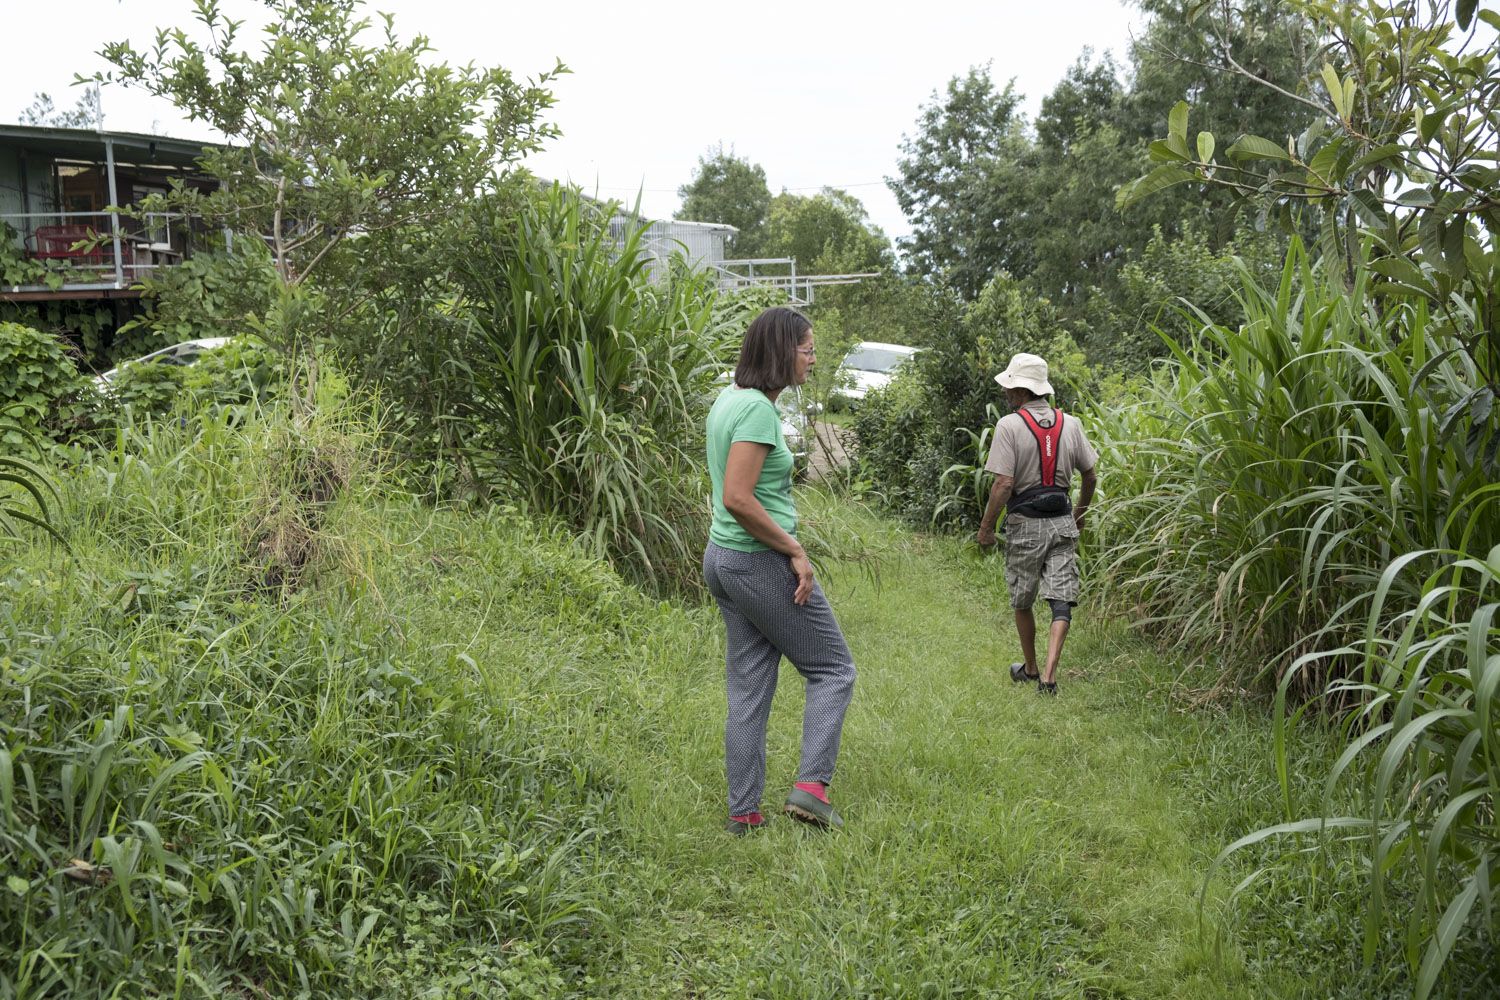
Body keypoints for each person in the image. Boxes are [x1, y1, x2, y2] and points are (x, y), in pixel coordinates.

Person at [703, 306, 857, 835]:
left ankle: (744, 814)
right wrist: (794, 549)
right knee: (833, 670)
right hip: (756, 561)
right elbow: (739, 498)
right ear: (780, 351)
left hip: (723, 559)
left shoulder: (729, 400)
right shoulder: (759, 413)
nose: (813, 358)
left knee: (748, 691)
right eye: (808, 348)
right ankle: (811, 790)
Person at [976, 353, 1099, 695]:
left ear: (1019, 392)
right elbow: (1090, 475)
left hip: (1025, 525)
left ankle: (1029, 669)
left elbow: (1002, 484)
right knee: (1062, 600)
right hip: (1062, 522)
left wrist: (986, 529)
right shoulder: (1070, 424)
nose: (1006, 394)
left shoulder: (1009, 425)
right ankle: (1049, 676)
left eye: (1009, 388)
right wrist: (1081, 514)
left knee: (1022, 600)